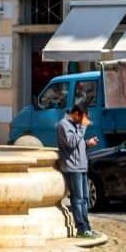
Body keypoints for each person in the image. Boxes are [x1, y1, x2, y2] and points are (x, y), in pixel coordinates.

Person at [55, 99, 99, 241]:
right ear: (75, 114)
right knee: (78, 199)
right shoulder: (63, 125)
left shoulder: (75, 125)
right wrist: (83, 128)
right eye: (82, 118)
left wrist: (87, 143)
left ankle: (87, 227)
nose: (83, 121)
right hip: (72, 168)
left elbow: (77, 144)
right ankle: (81, 229)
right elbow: (71, 142)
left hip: (81, 166)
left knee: (85, 199)